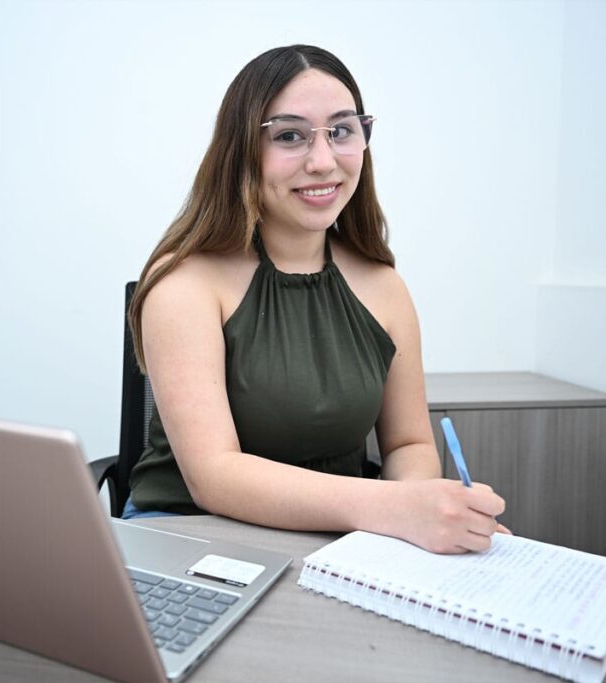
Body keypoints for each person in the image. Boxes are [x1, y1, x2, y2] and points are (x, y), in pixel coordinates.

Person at [123, 45, 506, 554]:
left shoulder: (384, 285)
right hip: (193, 532)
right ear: (242, 149)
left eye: (341, 131)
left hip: (340, 540)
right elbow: (213, 476)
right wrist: (395, 508)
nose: (323, 162)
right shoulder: (184, 282)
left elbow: (407, 443)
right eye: (289, 136)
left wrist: (423, 512)